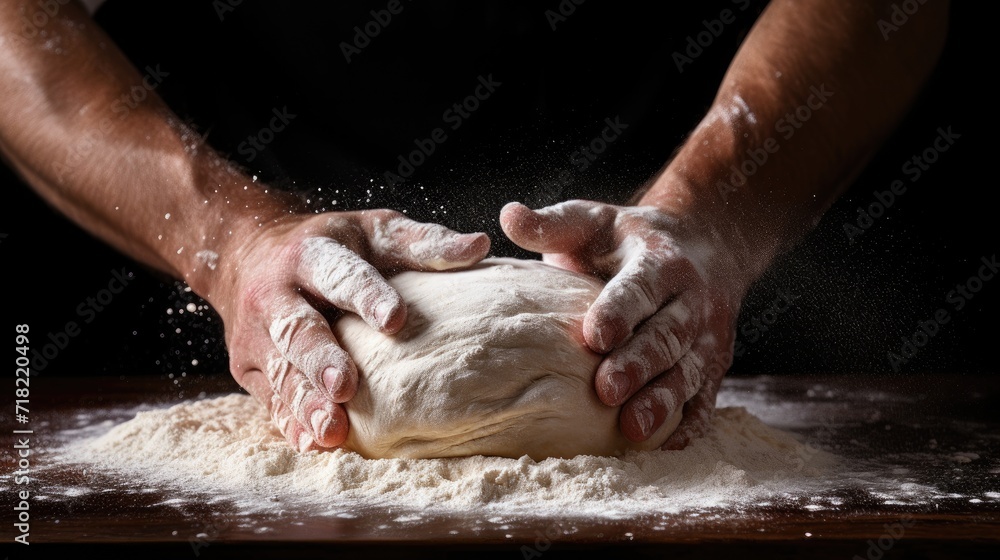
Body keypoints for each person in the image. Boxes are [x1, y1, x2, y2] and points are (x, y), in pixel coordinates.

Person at [0, 0, 948, 452]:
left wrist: (710, 219)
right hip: (246, 188)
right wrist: (232, 240)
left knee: (639, 383)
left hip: (678, 250)